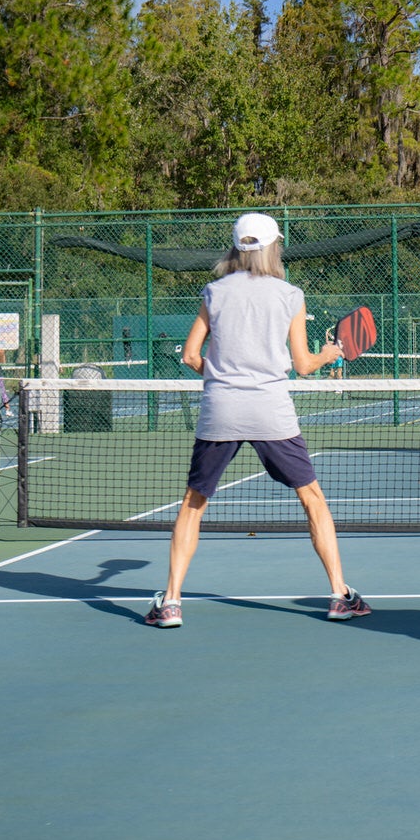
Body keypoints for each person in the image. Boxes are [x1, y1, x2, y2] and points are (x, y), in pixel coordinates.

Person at [145, 212, 371, 629]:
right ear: (272, 248)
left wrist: (223, 375)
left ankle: (172, 602)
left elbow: (192, 356)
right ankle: (340, 595)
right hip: (271, 411)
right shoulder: (290, 294)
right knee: (313, 500)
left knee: (193, 505)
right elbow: (303, 365)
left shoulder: (213, 292)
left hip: (221, 410)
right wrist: (329, 354)